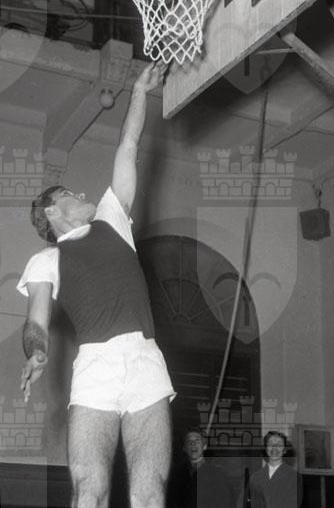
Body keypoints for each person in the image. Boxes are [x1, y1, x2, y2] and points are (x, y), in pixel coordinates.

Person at [17, 61, 175, 508]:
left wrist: (140, 92)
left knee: (149, 492)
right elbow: (36, 322)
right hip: (95, 367)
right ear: (52, 211)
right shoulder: (47, 259)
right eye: (71, 194)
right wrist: (37, 352)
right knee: (90, 491)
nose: (84, 195)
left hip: (144, 360)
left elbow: (128, 145)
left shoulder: (113, 219)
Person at [168, 429, 233, 508]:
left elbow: (226, 503)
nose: (193, 444)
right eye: (189, 441)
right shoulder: (176, 475)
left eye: (197, 440)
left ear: (204, 446)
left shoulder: (217, 475)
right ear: (184, 448)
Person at [243, 431, 302, 508]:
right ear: (266, 449)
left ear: (284, 450)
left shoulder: (294, 477)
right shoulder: (255, 477)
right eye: (270, 444)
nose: (274, 448)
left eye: (279, 444)